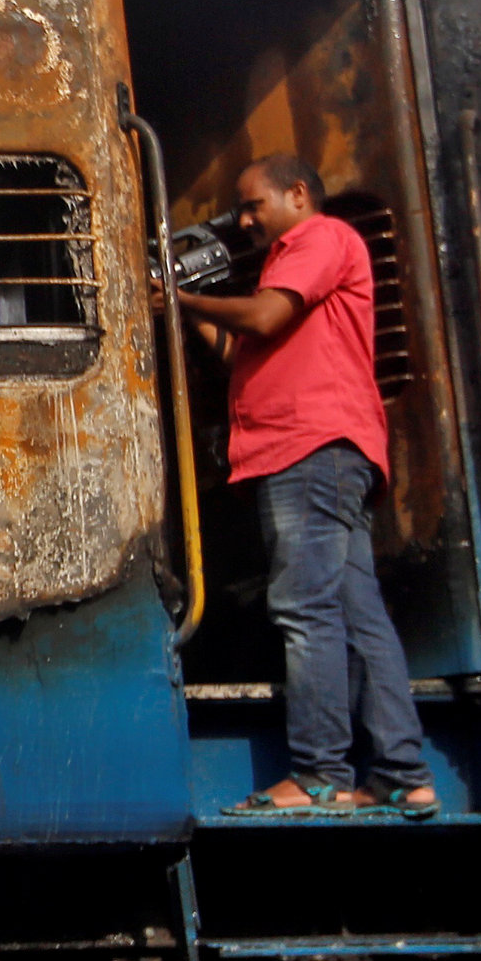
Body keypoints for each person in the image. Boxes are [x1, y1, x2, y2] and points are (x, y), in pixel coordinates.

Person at [174, 156, 439, 818]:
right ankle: (404, 774)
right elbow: (244, 348)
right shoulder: (287, 266)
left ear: (298, 194)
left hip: (308, 448)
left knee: (304, 608)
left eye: (253, 204)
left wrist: (184, 297)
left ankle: (320, 775)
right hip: (319, 451)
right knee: (354, 611)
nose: (245, 219)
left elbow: (262, 320)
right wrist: (187, 309)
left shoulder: (319, 239)